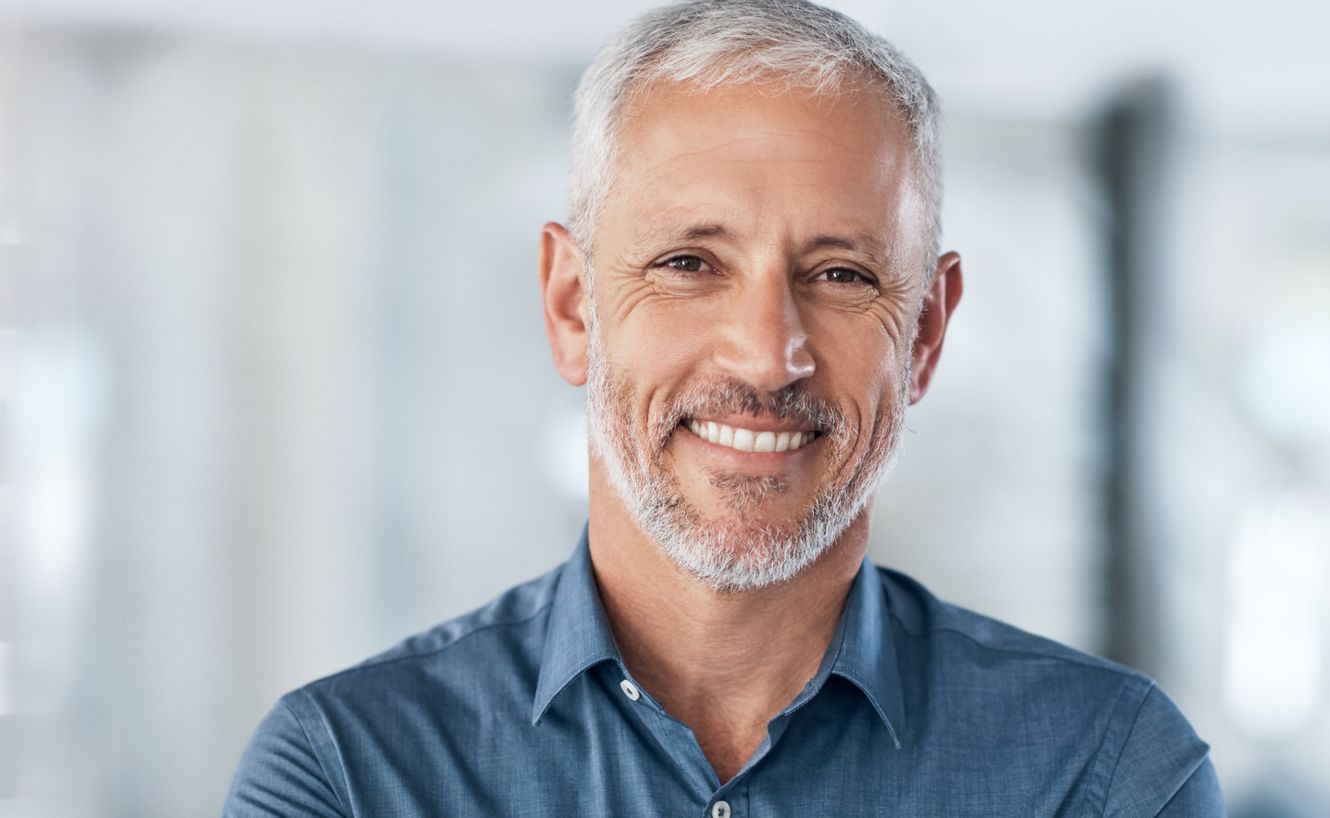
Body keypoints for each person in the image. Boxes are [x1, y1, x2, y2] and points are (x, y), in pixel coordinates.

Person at [223, 1, 1225, 815]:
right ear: (573, 305)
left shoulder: (1106, 775)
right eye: (689, 263)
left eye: (839, 273)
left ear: (923, 333)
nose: (768, 351)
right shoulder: (352, 774)